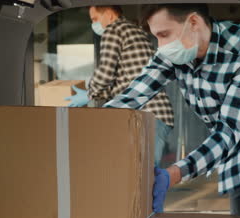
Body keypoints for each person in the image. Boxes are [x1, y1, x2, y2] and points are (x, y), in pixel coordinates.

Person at [105, 4, 240, 215]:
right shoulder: (177, 51)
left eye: (164, 34)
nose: (160, 46)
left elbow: (228, 130)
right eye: (156, 37)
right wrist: (92, 122)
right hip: (234, 154)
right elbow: (135, 93)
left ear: (194, 23)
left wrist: (173, 174)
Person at [66, 5, 174, 165]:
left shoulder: (114, 30)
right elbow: (122, 82)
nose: (93, 24)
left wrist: (89, 94)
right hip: (151, 113)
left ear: (109, 14)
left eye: (95, 19)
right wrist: (95, 94)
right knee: (138, 174)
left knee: (144, 175)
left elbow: (105, 73)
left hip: (147, 113)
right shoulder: (135, 31)